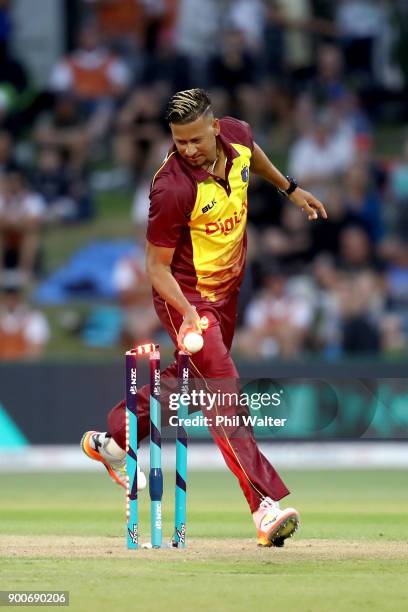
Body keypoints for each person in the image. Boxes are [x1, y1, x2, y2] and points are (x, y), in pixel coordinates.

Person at [81, 88, 327, 547]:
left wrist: (290, 190)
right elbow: (155, 267)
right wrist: (190, 313)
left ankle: (115, 440)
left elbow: (253, 154)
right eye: (180, 141)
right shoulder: (172, 186)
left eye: (196, 139)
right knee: (222, 392)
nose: (189, 150)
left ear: (216, 128)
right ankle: (263, 507)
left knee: (188, 387)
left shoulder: (237, 136)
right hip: (187, 298)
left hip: (228, 291)